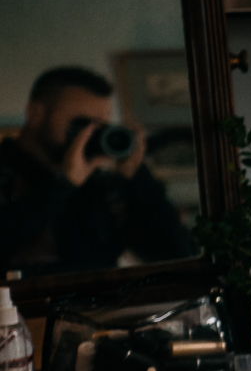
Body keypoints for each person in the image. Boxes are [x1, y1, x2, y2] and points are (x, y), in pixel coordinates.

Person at [0, 65, 195, 275]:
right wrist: (63, 185)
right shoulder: (6, 172)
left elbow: (179, 255)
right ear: (35, 113)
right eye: (81, 123)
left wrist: (134, 177)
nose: (90, 134)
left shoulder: (101, 184)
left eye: (100, 127)